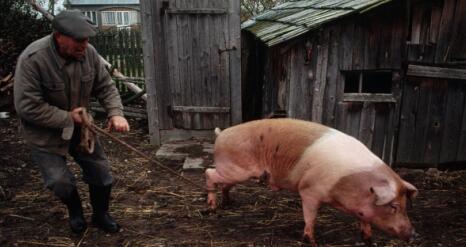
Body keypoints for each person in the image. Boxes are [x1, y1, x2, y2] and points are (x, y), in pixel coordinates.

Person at [14, 11, 130, 234]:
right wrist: (67, 118)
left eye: (87, 40)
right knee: (60, 181)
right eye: (79, 40)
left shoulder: (89, 53)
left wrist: (116, 113)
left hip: (82, 129)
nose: (84, 45)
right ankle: (75, 212)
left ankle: (101, 214)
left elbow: (105, 86)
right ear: (59, 36)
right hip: (44, 133)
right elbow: (27, 106)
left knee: (101, 172)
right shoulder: (33, 59)